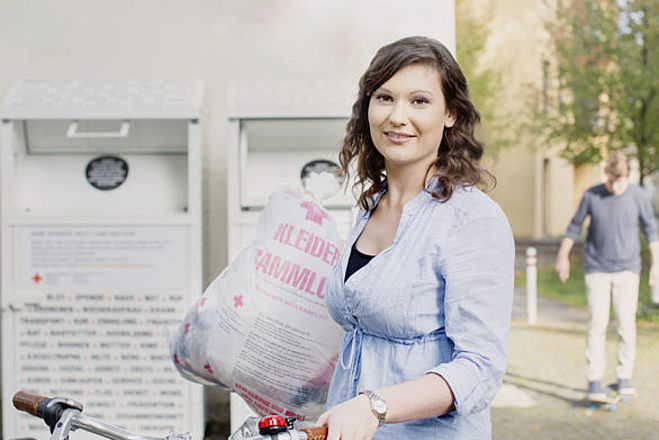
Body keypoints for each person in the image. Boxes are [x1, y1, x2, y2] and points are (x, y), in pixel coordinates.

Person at [316, 36, 515, 439]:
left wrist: (375, 406)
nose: (397, 116)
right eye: (385, 97)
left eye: (419, 101)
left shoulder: (471, 219)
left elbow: (480, 366)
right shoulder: (370, 206)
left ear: (451, 114)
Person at [555, 152, 658, 401]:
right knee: (597, 325)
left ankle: (624, 377)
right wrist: (562, 257)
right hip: (597, 269)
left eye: (619, 181)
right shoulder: (592, 194)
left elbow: (651, 230)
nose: (615, 186)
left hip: (628, 270)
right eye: (611, 181)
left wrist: (656, 264)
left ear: (627, 176)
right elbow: (574, 226)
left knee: (626, 325)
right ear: (606, 176)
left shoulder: (639, 196)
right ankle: (594, 381)